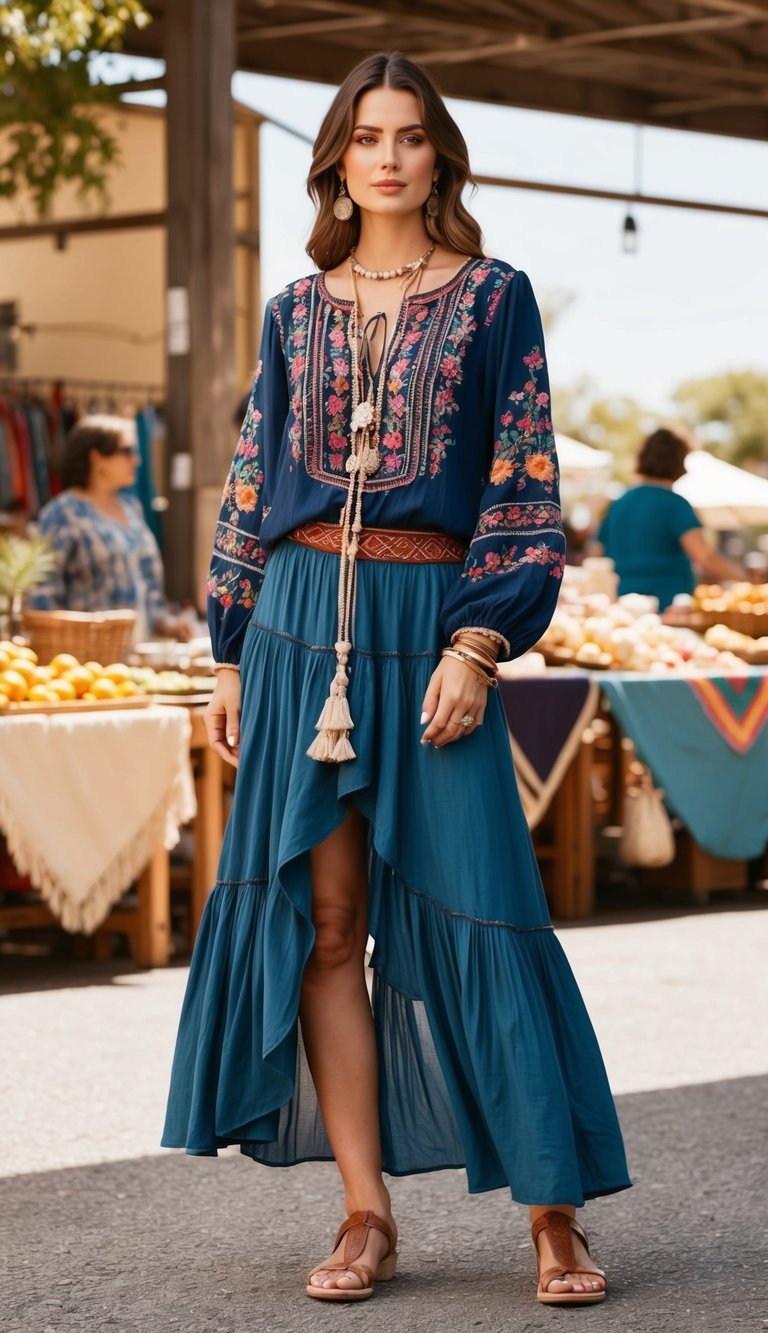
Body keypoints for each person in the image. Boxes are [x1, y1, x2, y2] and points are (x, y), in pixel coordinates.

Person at [161, 52, 630, 1308]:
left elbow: (525, 480)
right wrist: (227, 651)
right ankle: (366, 1213)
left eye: (409, 136)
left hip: (433, 621)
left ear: (439, 157)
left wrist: (481, 642)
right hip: (298, 625)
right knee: (325, 927)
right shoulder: (296, 310)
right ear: (337, 159)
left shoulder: (494, 300)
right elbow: (254, 484)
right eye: (365, 136)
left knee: (486, 910)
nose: (386, 156)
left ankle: (552, 1213)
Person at [28, 415, 195, 642]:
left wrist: (168, 622)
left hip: (136, 656)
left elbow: (147, 584)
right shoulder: (62, 514)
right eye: (127, 451)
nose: (136, 460)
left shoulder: (131, 508)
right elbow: (42, 595)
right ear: (97, 458)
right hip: (84, 661)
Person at [595, 427, 743, 610]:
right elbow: (704, 555)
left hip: (625, 605)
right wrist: (745, 578)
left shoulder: (619, 504)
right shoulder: (675, 504)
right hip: (669, 609)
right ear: (679, 461)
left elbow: (596, 552)